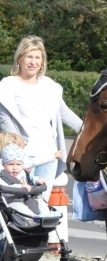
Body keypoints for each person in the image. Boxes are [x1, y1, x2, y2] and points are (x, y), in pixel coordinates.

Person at [0, 36, 83, 202]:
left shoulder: (50, 87)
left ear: (42, 61)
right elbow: (5, 122)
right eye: (29, 56)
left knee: (40, 206)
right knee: (16, 207)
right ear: (20, 59)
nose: (33, 62)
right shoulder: (8, 85)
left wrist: (89, 130)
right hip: (19, 160)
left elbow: (65, 114)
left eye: (37, 57)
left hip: (48, 156)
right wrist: (19, 155)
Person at [0, 142, 48, 216]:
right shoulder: (2, 176)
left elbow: (25, 181)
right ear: (3, 165)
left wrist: (37, 180)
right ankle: (32, 218)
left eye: (18, 164)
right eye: (10, 164)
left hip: (24, 198)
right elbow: (4, 187)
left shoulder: (22, 174)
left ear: (22, 164)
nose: (14, 167)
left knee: (39, 202)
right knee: (21, 209)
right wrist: (20, 187)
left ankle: (46, 216)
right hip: (11, 200)